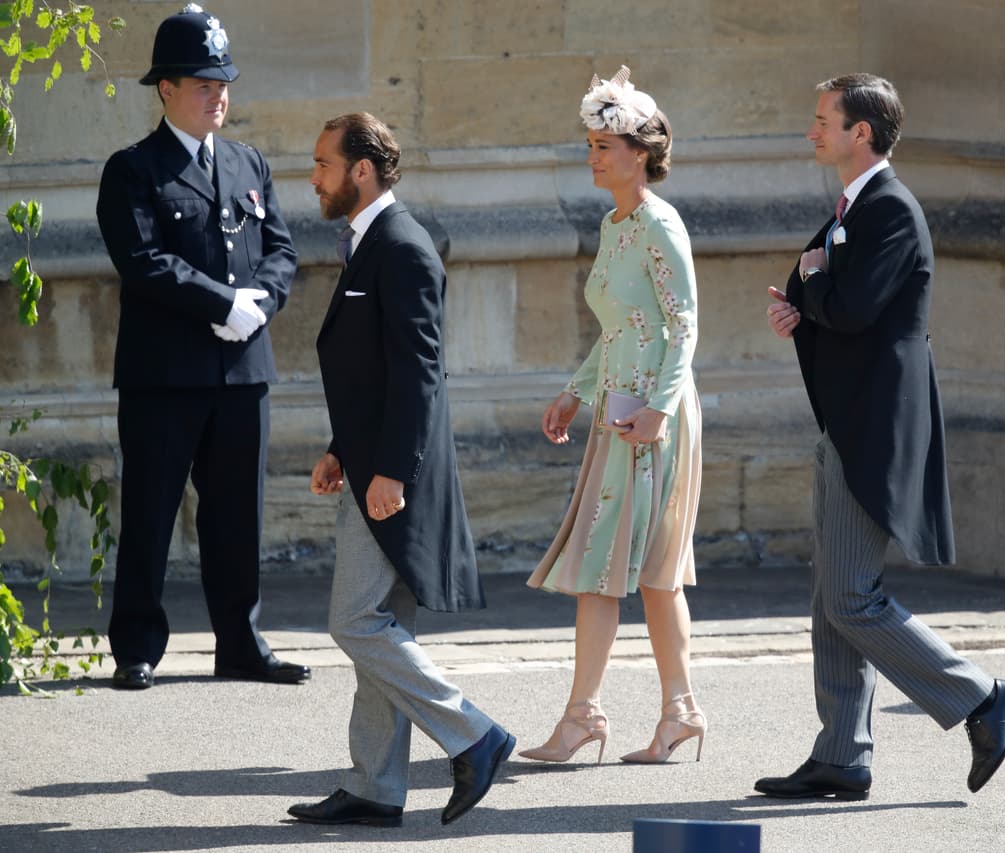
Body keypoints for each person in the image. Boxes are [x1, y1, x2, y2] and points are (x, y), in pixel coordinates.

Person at [757, 74, 1005, 800]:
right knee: (830, 595)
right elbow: (823, 292)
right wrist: (805, 305)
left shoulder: (890, 209)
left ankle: (980, 696)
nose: (811, 131)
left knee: (851, 597)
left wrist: (814, 294)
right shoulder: (855, 206)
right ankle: (843, 752)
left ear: (861, 134)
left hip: (873, 423)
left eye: (822, 120)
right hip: (848, 418)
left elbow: (851, 305)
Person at [288, 113, 513, 828]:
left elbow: (420, 372)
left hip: (394, 476)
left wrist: (389, 471)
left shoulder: (404, 247)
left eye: (323, 163)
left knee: (354, 621)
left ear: (360, 170)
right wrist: (340, 447)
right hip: (371, 462)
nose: (313, 176)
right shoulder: (368, 243)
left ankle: (474, 734)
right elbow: (372, 371)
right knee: (382, 623)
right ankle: (377, 785)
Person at [96, 4, 308, 690]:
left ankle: (240, 642)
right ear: (166, 89)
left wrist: (261, 305)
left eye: (224, 83)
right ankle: (136, 645)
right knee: (152, 510)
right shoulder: (134, 170)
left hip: (242, 370)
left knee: (236, 513)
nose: (218, 95)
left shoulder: (249, 162)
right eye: (203, 84)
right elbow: (145, 261)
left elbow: (280, 249)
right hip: (166, 374)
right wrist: (223, 303)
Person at [521, 67, 704, 766]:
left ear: (639, 153)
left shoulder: (660, 224)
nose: (593, 155)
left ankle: (582, 718)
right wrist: (576, 389)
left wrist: (657, 410)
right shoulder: (614, 223)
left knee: (620, 567)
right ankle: (676, 711)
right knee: (648, 573)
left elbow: (683, 326)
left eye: (604, 144)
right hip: (618, 411)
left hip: (651, 418)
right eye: (591, 143)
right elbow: (621, 327)